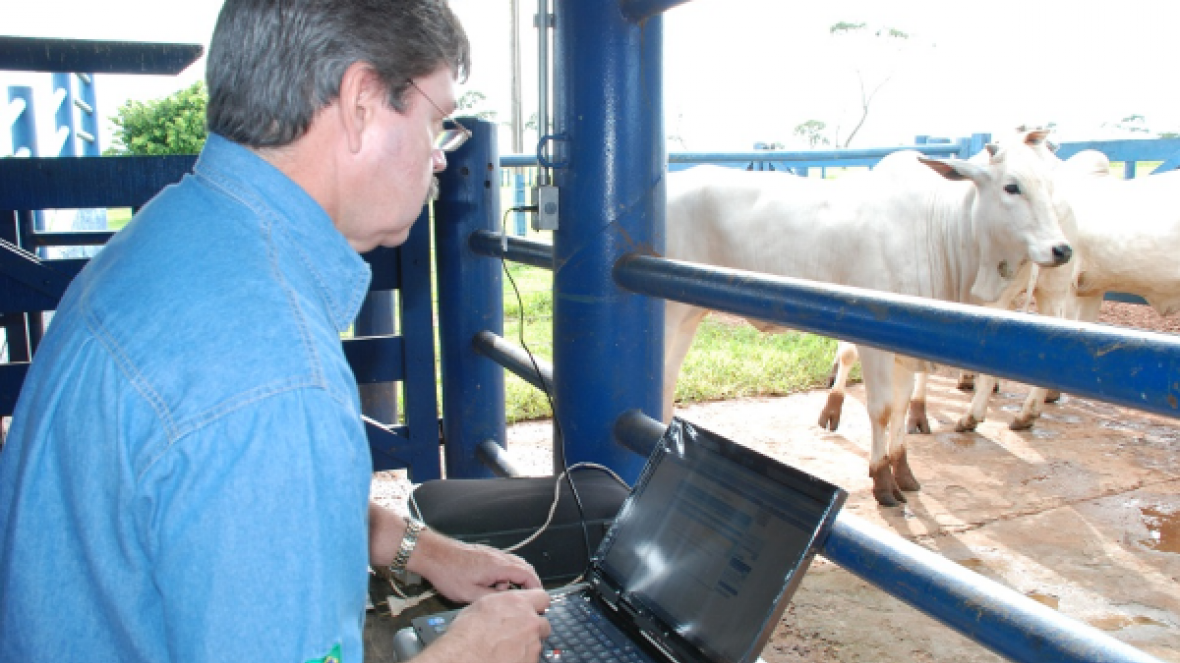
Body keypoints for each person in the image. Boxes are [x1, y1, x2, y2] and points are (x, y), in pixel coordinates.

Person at [0, 1, 551, 661]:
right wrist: (472, 652)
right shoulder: (276, 378)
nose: (439, 159)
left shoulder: (173, 233)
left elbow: (207, 508)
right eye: (437, 123)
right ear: (361, 103)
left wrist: (416, 547)